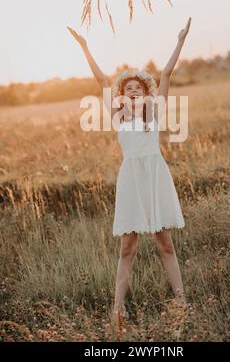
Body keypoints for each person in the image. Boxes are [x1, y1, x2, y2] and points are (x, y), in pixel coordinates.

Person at [67, 17, 192, 320]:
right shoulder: (117, 115)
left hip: (154, 176)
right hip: (131, 179)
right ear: (123, 93)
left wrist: (180, 41)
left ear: (145, 92)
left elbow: (167, 73)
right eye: (129, 87)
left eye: (139, 87)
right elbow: (100, 81)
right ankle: (117, 307)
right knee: (127, 248)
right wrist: (84, 47)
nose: (134, 90)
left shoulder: (155, 110)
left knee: (165, 244)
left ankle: (182, 302)